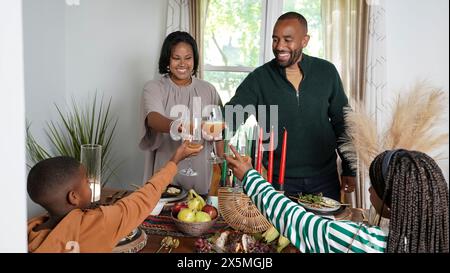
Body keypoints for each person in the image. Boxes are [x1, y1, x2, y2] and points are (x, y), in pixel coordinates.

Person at [225, 12, 355, 200]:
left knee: (323, 229)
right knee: (279, 231)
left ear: (305, 40)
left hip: (325, 179)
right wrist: (206, 124)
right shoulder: (260, 78)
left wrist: (349, 168)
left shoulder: (327, 72)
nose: (279, 46)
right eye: (275, 40)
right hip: (278, 181)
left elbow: (343, 122)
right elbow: (232, 114)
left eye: (287, 40)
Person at [226, 145, 449, 253]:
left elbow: (295, 220)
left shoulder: (364, 243)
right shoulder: (438, 238)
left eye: (374, 186)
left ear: (392, 202)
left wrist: (249, 175)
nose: (369, 190)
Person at [27, 142, 202, 253]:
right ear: (73, 197)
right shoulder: (96, 223)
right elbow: (142, 200)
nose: (90, 185)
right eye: (87, 182)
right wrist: (174, 161)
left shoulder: (28, 232)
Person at [139, 31, 223, 195]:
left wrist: (222, 165)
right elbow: (153, 119)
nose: (183, 63)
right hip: (165, 175)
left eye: (188, 58)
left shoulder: (208, 89)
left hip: (202, 177)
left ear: (195, 59)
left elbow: (219, 130)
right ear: (167, 60)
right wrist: (183, 126)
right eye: (176, 58)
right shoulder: (154, 87)